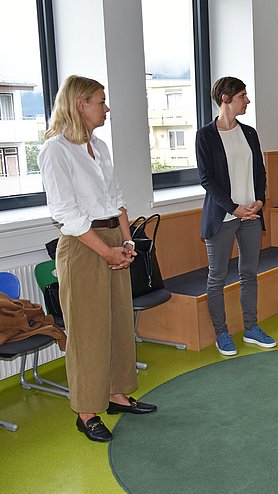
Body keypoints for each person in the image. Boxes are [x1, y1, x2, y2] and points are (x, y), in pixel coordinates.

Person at [39, 75, 156, 443]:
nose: (106, 108)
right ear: (80, 104)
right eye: (101, 102)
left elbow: (116, 196)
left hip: (110, 238)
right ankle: (86, 411)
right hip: (82, 244)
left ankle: (116, 394)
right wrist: (106, 251)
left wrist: (127, 241)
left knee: (119, 322)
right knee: (88, 331)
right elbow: (67, 213)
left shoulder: (99, 146)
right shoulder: (55, 151)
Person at [195, 76, 275, 356]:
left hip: (251, 215)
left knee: (249, 273)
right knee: (217, 277)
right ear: (225, 99)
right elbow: (206, 178)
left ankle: (251, 328)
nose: (247, 101)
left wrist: (260, 201)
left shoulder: (250, 133)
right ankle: (222, 333)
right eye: (243, 96)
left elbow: (260, 172)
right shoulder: (205, 135)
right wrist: (232, 207)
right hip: (223, 216)